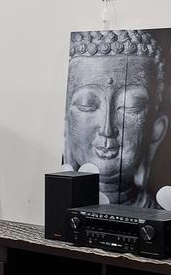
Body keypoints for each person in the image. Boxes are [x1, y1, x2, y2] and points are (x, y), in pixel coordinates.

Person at [62, 28, 164, 208]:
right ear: (66, 123)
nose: (106, 129)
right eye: (87, 105)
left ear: (156, 129)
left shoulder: (162, 217)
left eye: (130, 106)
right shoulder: (54, 210)